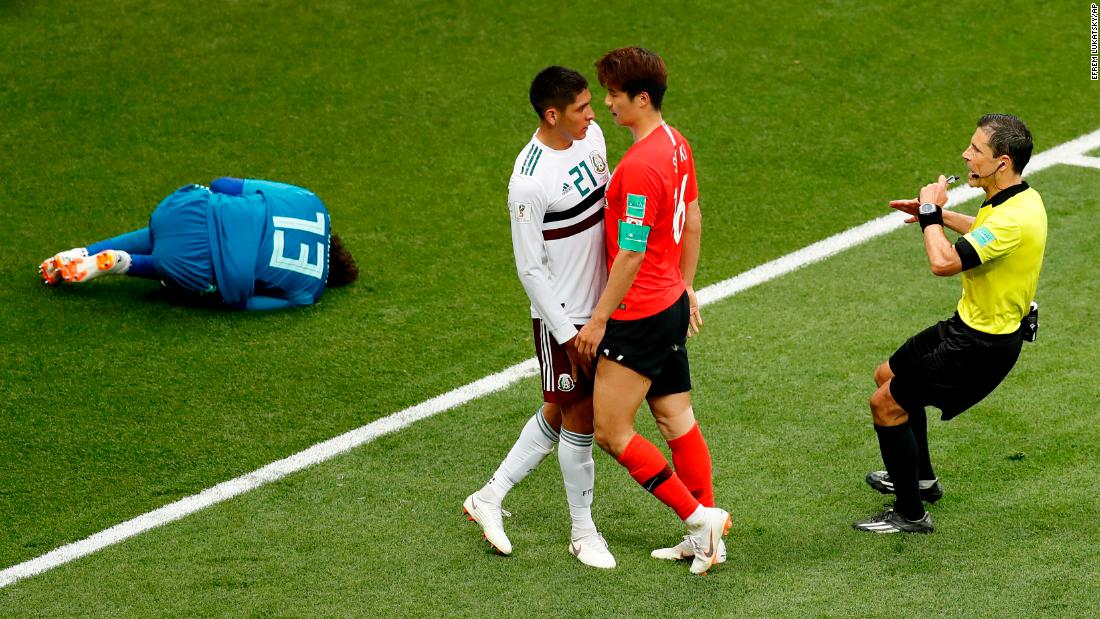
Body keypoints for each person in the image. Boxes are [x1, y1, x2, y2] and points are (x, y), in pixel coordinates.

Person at [573, 46, 730, 576]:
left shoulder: (640, 166)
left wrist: (598, 320)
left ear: (641, 98)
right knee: (674, 419)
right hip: (667, 303)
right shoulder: (676, 144)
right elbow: (693, 216)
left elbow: (633, 250)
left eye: (614, 96)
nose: (606, 104)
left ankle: (697, 519)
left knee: (611, 431)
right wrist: (686, 286)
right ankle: (709, 533)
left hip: (639, 312)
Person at [853, 114, 1047, 534]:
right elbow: (985, 231)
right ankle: (920, 480)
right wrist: (940, 216)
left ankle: (910, 514)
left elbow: (943, 263)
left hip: (980, 346)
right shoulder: (1020, 199)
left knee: (885, 404)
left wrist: (928, 214)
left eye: (977, 150)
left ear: (1003, 162)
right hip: (966, 326)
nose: (966, 154)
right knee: (887, 375)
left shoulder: (1013, 217)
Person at [462, 66, 616, 569]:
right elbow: (529, 268)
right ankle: (582, 531)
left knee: (559, 409)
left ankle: (489, 496)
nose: (593, 114)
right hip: (566, 319)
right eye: (580, 108)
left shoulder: (591, 139)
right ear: (553, 114)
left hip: (603, 309)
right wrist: (569, 334)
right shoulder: (527, 183)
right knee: (580, 418)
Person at [39, 178, 358, 310]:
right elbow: (245, 304)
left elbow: (225, 184)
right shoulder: (308, 294)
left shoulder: (313, 203)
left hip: (182, 209)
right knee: (195, 273)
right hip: (190, 268)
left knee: (169, 228)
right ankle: (127, 264)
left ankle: (82, 252)